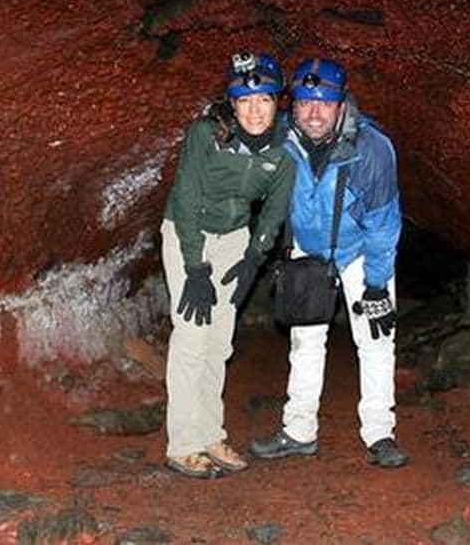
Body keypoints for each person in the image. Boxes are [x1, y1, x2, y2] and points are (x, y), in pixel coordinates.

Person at [250, 58, 408, 467]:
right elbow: (241, 139)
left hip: (358, 251)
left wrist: (376, 285)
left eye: (324, 103)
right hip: (309, 248)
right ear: (293, 105)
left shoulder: (371, 150)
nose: (314, 113)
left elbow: (383, 224)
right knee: (305, 342)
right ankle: (299, 430)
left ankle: (379, 434)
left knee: (375, 340)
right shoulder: (282, 136)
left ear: (341, 104)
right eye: (304, 103)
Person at [161, 52, 294, 478]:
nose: (255, 110)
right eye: (245, 100)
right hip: (189, 232)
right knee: (191, 336)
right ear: (232, 104)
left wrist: (256, 252)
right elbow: (185, 199)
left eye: (264, 100)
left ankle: (210, 433)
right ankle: (183, 444)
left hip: (235, 237)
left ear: (278, 102)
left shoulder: (284, 147)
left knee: (219, 340)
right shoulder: (208, 133)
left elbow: (276, 206)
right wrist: (195, 268)